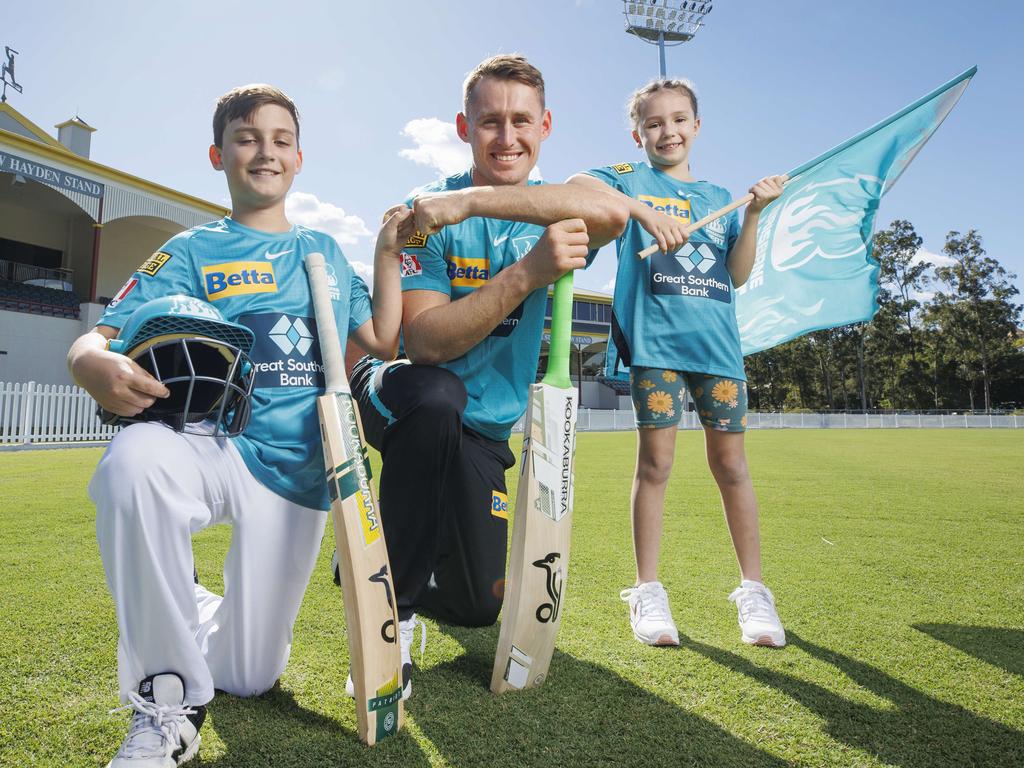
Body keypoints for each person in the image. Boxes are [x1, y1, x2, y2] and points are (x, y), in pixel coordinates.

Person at [67, 84, 412, 767]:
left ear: (299, 157)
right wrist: (90, 366)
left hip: (299, 472)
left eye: (281, 140)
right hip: (214, 441)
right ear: (218, 155)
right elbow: (95, 341)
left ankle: (181, 598)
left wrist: (383, 253)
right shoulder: (192, 250)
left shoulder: (324, 252)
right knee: (134, 463)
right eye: (248, 138)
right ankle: (165, 700)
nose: (266, 151)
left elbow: (382, 338)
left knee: (249, 675)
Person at [343, 54, 628, 695]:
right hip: (403, 394)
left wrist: (477, 200)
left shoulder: (552, 206)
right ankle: (397, 610)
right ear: (463, 127)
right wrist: (528, 272)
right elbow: (423, 343)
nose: (506, 138)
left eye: (521, 121)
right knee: (438, 395)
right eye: (489, 121)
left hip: (483, 427)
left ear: (545, 125)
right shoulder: (429, 215)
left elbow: (613, 215)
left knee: (479, 605)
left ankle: (387, 548)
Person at [569, 78, 787, 648]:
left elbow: (736, 276)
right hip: (656, 346)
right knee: (655, 466)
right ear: (637, 133)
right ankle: (647, 590)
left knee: (733, 467)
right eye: (654, 123)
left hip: (717, 348)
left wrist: (757, 212)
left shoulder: (720, 198)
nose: (667, 131)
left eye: (679, 119)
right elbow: (578, 185)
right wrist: (642, 211)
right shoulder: (629, 179)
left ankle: (753, 590)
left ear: (696, 125)